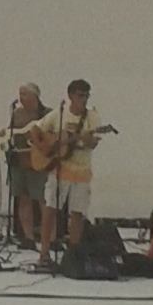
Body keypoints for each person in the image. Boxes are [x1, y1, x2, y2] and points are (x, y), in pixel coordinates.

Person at [33, 79, 104, 271]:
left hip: (82, 171)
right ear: (71, 95)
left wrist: (85, 140)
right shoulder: (59, 114)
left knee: (77, 213)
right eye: (80, 95)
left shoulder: (92, 117)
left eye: (87, 95)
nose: (84, 99)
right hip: (59, 169)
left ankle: (73, 254)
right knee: (50, 210)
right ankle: (44, 253)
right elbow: (35, 129)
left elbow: (93, 143)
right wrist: (43, 147)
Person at [4, 82, 47, 248]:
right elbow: (11, 132)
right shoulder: (17, 113)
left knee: (43, 199)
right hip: (19, 159)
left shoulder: (46, 113)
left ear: (35, 95)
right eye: (20, 94)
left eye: (25, 94)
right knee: (23, 198)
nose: (21, 97)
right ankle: (28, 237)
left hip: (38, 161)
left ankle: (49, 238)